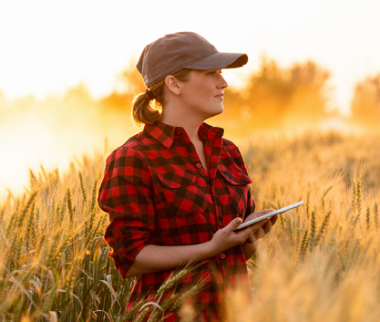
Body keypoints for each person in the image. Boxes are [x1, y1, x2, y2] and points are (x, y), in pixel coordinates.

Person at [98, 32, 278, 322]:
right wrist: (210, 248)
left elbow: (233, 255)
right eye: (211, 73)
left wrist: (250, 236)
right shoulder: (134, 158)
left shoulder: (228, 152)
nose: (224, 82)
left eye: (221, 73)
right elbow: (130, 258)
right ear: (174, 84)